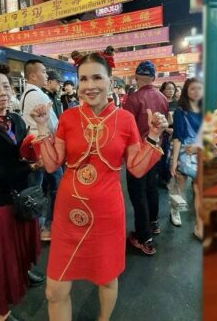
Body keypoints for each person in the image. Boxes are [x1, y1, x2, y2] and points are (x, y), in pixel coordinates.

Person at [30, 52, 168, 321]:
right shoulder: (68, 118)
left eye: (96, 77)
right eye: (83, 79)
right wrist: (41, 126)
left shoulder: (126, 119)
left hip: (107, 215)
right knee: (54, 290)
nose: (89, 85)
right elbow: (51, 164)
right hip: (68, 215)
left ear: (110, 80)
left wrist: (152, 136)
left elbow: (137, 168)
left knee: (106, 279)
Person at [0, 60, 43, 321]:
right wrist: (28, 168)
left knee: (18, 250)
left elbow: (22, 151)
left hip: (22, 200)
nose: (3, 92)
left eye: (6, 86)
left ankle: (22, 273)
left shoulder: (14, 120)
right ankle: (1, 312)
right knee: (0, 263)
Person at [123, 60, 169, 254]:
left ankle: (144, 237)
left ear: (136, 76)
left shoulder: (132, 99)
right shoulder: (162, 98)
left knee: (138, 193)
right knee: (151, 189)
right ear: (154, 77)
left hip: (137, 152)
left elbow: (126, 128)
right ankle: (154, 223)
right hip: (155, 149)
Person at [21, 59, 63, 242]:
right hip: (43, 147)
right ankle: (46, 227)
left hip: (32, 148)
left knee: (36, 188)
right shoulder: (39, 95)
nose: (47, 75)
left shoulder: (25, 94)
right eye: (44, 72)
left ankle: (34, 228)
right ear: (32, 75)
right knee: (57, 185)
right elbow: (53, 125)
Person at [169, 79, 203, 230]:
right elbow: (177, 137)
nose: (196, 92)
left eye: (199, 88)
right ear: (186, 92)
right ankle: (175, 210)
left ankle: (199, 224)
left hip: (200, 153)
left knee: (198, 188)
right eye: (192, 89)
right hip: (183, 152)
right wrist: (174, 160)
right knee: (180, 184)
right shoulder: (180, 111)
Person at [157, 81, 178, 187]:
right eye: (168, 89)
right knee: (164, 156)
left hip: (176, 133)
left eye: (172, 89)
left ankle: (170, 177)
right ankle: (163, 178)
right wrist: (166, 130)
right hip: (164, 133)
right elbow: (157, 120)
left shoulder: (177, 103)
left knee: (174, 157)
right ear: (163, 90)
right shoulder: (160, 103)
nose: (171, 91)